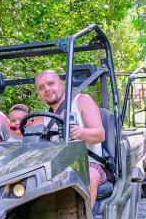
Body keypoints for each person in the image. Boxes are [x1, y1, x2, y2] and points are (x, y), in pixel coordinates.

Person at [34, 70, 106, 205]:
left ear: (61, 83)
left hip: (87, 162)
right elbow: (29, 146)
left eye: (50, 83)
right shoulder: (40, 118)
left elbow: (100, 134)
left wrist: (80, 133)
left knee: (89, 177)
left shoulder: (82, 101)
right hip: (55, 167)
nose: (47, 89)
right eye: (41, 88)